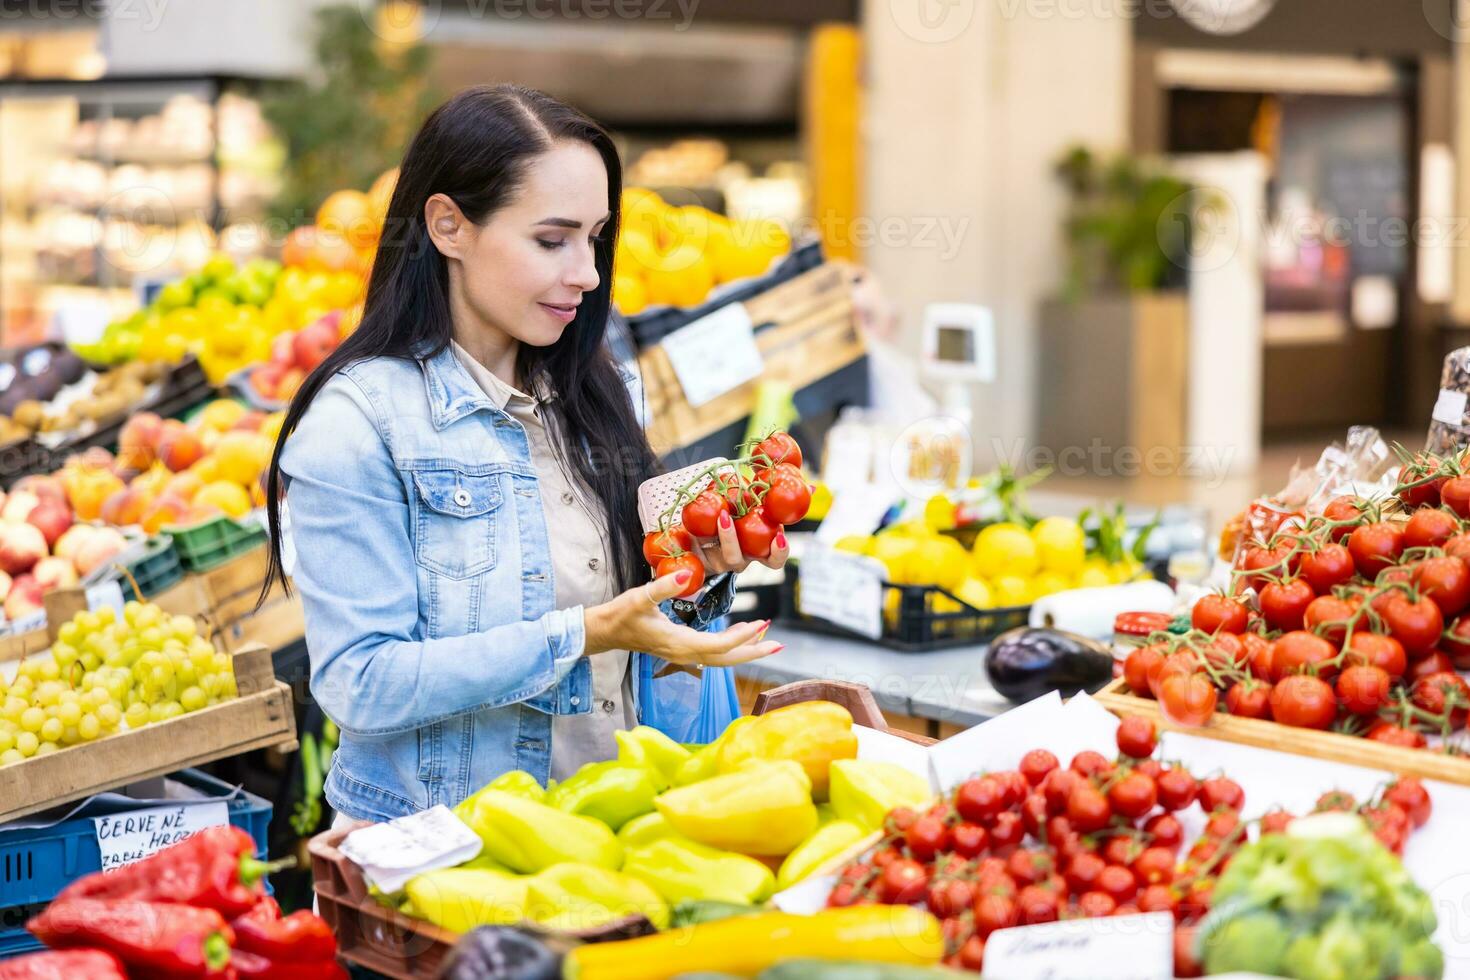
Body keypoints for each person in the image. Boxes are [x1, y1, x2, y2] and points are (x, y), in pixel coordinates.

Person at [261, 85, 787, 823]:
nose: (589, 273)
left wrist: (692, 577)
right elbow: (361, 681)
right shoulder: (359, 424)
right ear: (448, 226)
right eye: (552, 240)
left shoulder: (598, 392)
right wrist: (586, 632)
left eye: (596, 238)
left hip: (605, 835)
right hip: (441, 858)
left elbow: (628, 637)